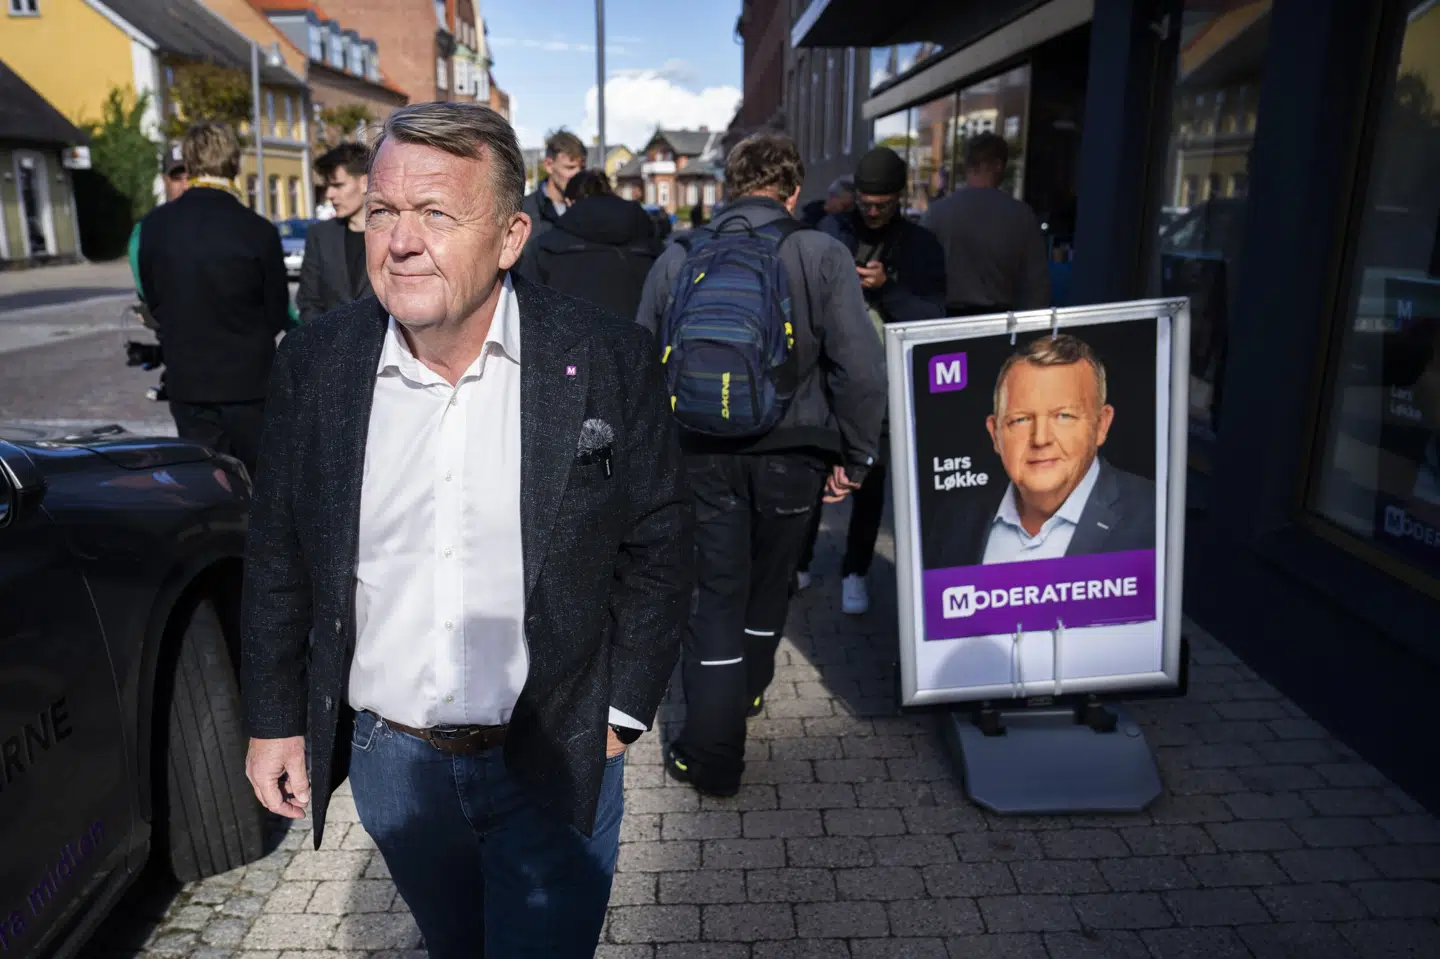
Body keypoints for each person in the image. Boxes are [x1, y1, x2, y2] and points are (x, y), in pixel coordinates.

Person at [240, 102, 691, 959]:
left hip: (555, 752)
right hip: (394, 765)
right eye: (384, 212)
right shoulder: (319, 361)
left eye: (436, 214)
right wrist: (274, 718)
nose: (400, 241)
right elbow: (278, 553)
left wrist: (621, 711)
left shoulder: (604, 358)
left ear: (512, 236)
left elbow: (661, 541)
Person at [636, 132, 886, 797]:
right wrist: (856, 456)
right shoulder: (821, 254)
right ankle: (746, 692)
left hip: (699, 453)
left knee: (712, 594)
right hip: (794, 454)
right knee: (769, 582)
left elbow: (640, 357)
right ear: (794, 190)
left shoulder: (679, 256)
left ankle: (711, 755)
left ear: (726, 185)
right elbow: (860, 369)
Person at [796, 147, 946, 614]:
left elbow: (931, 315)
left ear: (900, 197)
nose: (872, 211)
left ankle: (855, 571)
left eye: (882, 203)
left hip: (885, 385)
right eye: (865, 201)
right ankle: (799, 561)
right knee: (814, 471)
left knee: (870, 480)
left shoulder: (921, 246)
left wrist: (888, 289)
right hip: (826, 378)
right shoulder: (832, 233)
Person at [922, 334, 1155, 570]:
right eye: (1020, 419)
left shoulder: (1155, 514)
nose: (1041, 439)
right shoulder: (955, 522)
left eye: (1063, 416)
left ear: (1101, 425)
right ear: (995, 434)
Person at [136, 122, 289, 475]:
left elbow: (153, 299)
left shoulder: (155, 226)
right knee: (258, 485)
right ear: (235, 164)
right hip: (249, 383)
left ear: (188, 165)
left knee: (203, 486)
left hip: (188, 380)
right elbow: (277, 313)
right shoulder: (257, 229)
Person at [922, 133, 1050, 316]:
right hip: (998, 322)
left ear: (968, 165)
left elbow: (918, 275)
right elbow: (1036, 285)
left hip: (945, 319)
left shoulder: (937, 213)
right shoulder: (1021, 216)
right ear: (998, 165)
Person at [515, 168, 662, 318]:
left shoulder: (547, 245)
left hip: (568, 336)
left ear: (569, 202)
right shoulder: (647, 237)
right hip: (636, 335)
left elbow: (526, 304)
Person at [296, 141, 372, 323]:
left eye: (337, 185)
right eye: (327, 186)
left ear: (365, 183)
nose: (329, 194)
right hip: (330, 346)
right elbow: (308, 302)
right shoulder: (320, 235)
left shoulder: (394, 234)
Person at [521, 128, 586, 241]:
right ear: (549, 165)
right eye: (570, 167)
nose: (578, 174)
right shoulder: (524, 212)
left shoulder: (590, 211)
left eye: (582, 168)